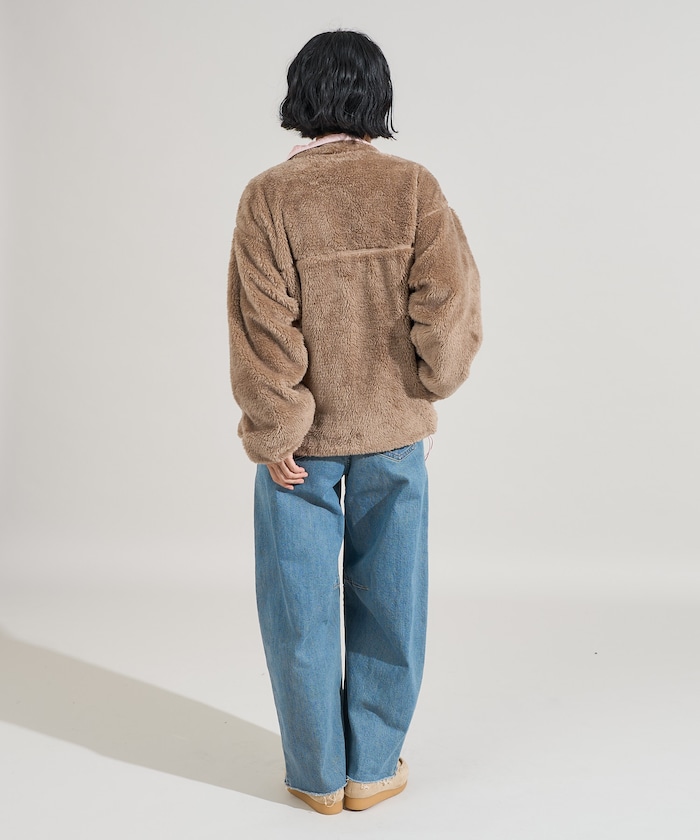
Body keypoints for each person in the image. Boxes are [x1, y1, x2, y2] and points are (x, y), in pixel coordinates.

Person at [226, 30, 482, 815]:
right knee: (392, 602)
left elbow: (263, 326)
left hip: (300, 450)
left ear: (300, 95)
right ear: (378, 97)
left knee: (298, 609)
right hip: (393, 434)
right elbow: (449, 303)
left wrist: (277, 426)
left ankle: (315, 777)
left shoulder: (269, 197)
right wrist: (429, 385)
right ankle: (372, 768)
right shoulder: (412, 188)